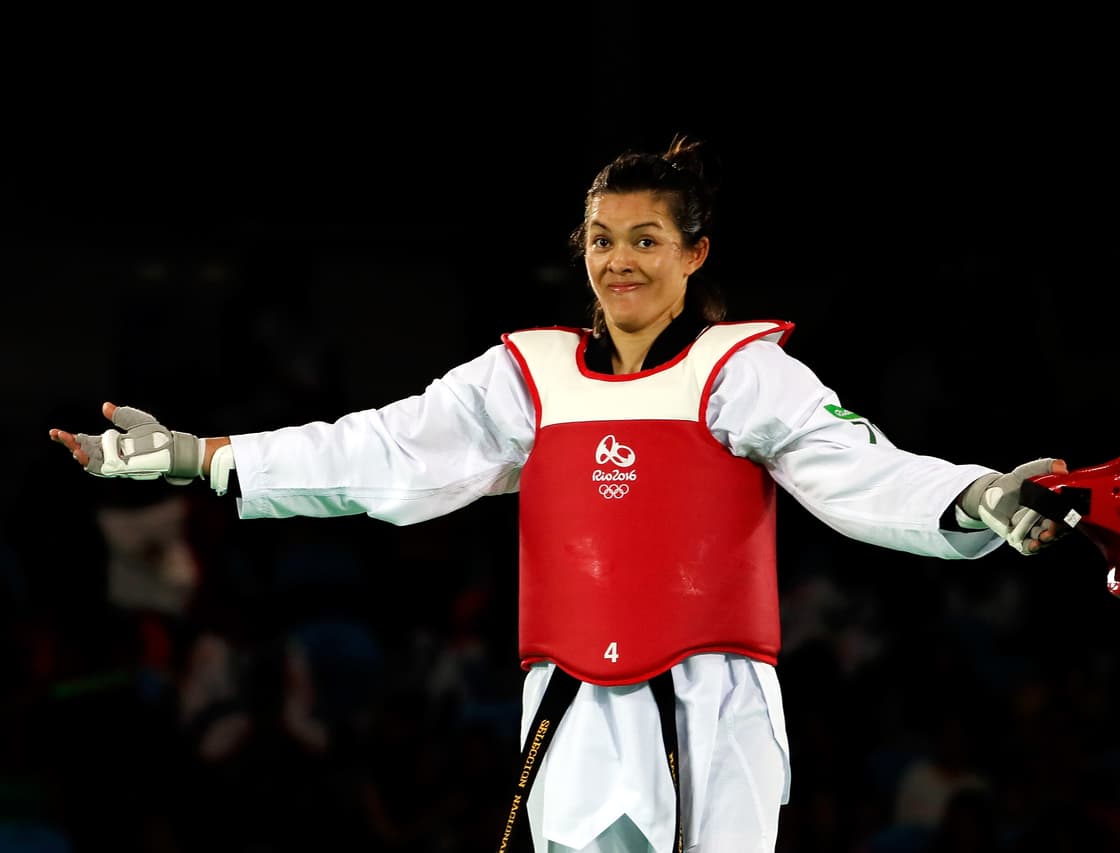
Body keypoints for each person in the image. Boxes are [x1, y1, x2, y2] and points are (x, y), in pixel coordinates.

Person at [49, 135, 1068, 853]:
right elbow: (382, 450)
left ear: (693, 252)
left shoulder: (737, 369)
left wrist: (973, 495)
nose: (617, 259)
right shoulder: (526, 376)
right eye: (600, 237)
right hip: (568, 705)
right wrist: (201, 456)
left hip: (708, 698)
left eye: (643, 239)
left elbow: (855, 464)